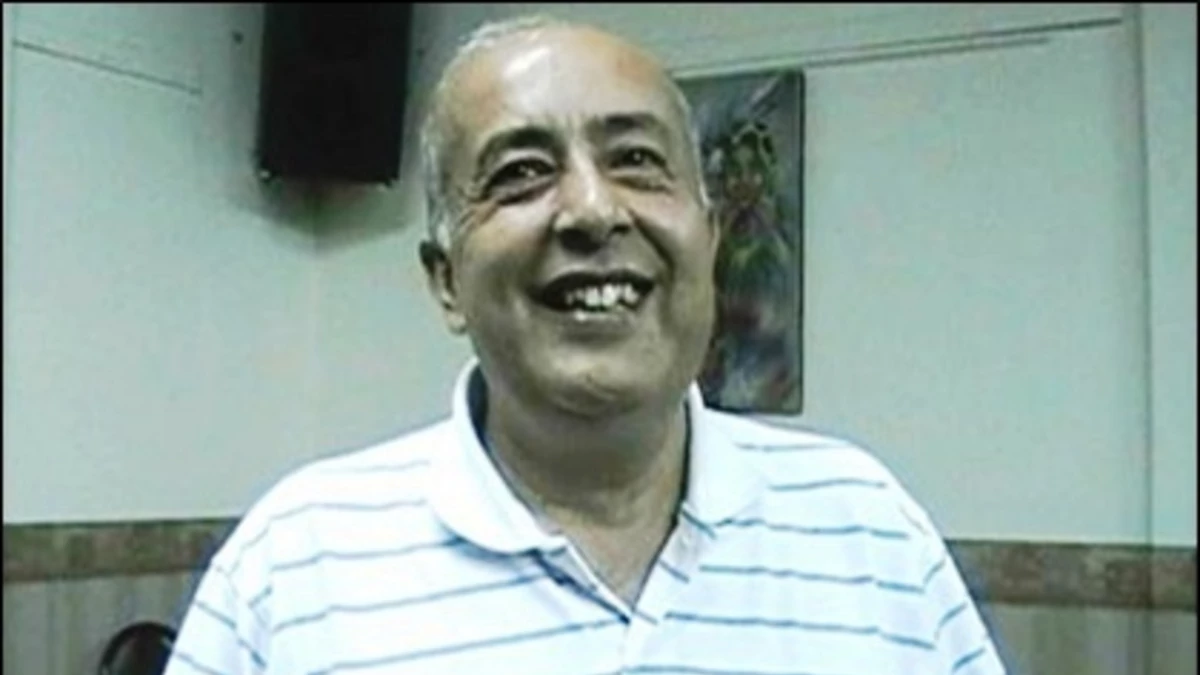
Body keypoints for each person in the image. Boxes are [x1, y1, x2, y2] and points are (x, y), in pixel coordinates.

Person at [165, 15, 1006, 675]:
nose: (594, 211)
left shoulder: (869, 534)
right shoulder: (294, 566)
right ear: (446, 279)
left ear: (710, 238)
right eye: (521, 172)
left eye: (636, 159)